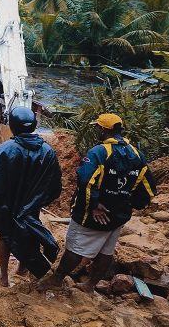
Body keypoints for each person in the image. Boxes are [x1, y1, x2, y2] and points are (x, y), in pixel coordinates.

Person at [41, 113, 156, 293]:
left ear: (103, 129)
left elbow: (86, 180)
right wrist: (127, 203)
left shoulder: (99, 152)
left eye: (97, 127)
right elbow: (148, 187)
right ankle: (90, 285)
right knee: (106, 251)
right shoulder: (136, 154)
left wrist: (94, 205)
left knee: (74, 248)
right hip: (118, 215)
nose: (97, 130)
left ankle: (57, 279)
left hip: (94, 214)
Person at [0, 107, 62, 288]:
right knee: (30, 233)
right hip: (32, 206)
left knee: (7, 236)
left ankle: (4, 277)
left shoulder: (5, 149)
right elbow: (54, 184)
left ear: (12, 126)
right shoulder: (47, 151)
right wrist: (37, 201)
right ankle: (23, 269)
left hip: (9, 206)